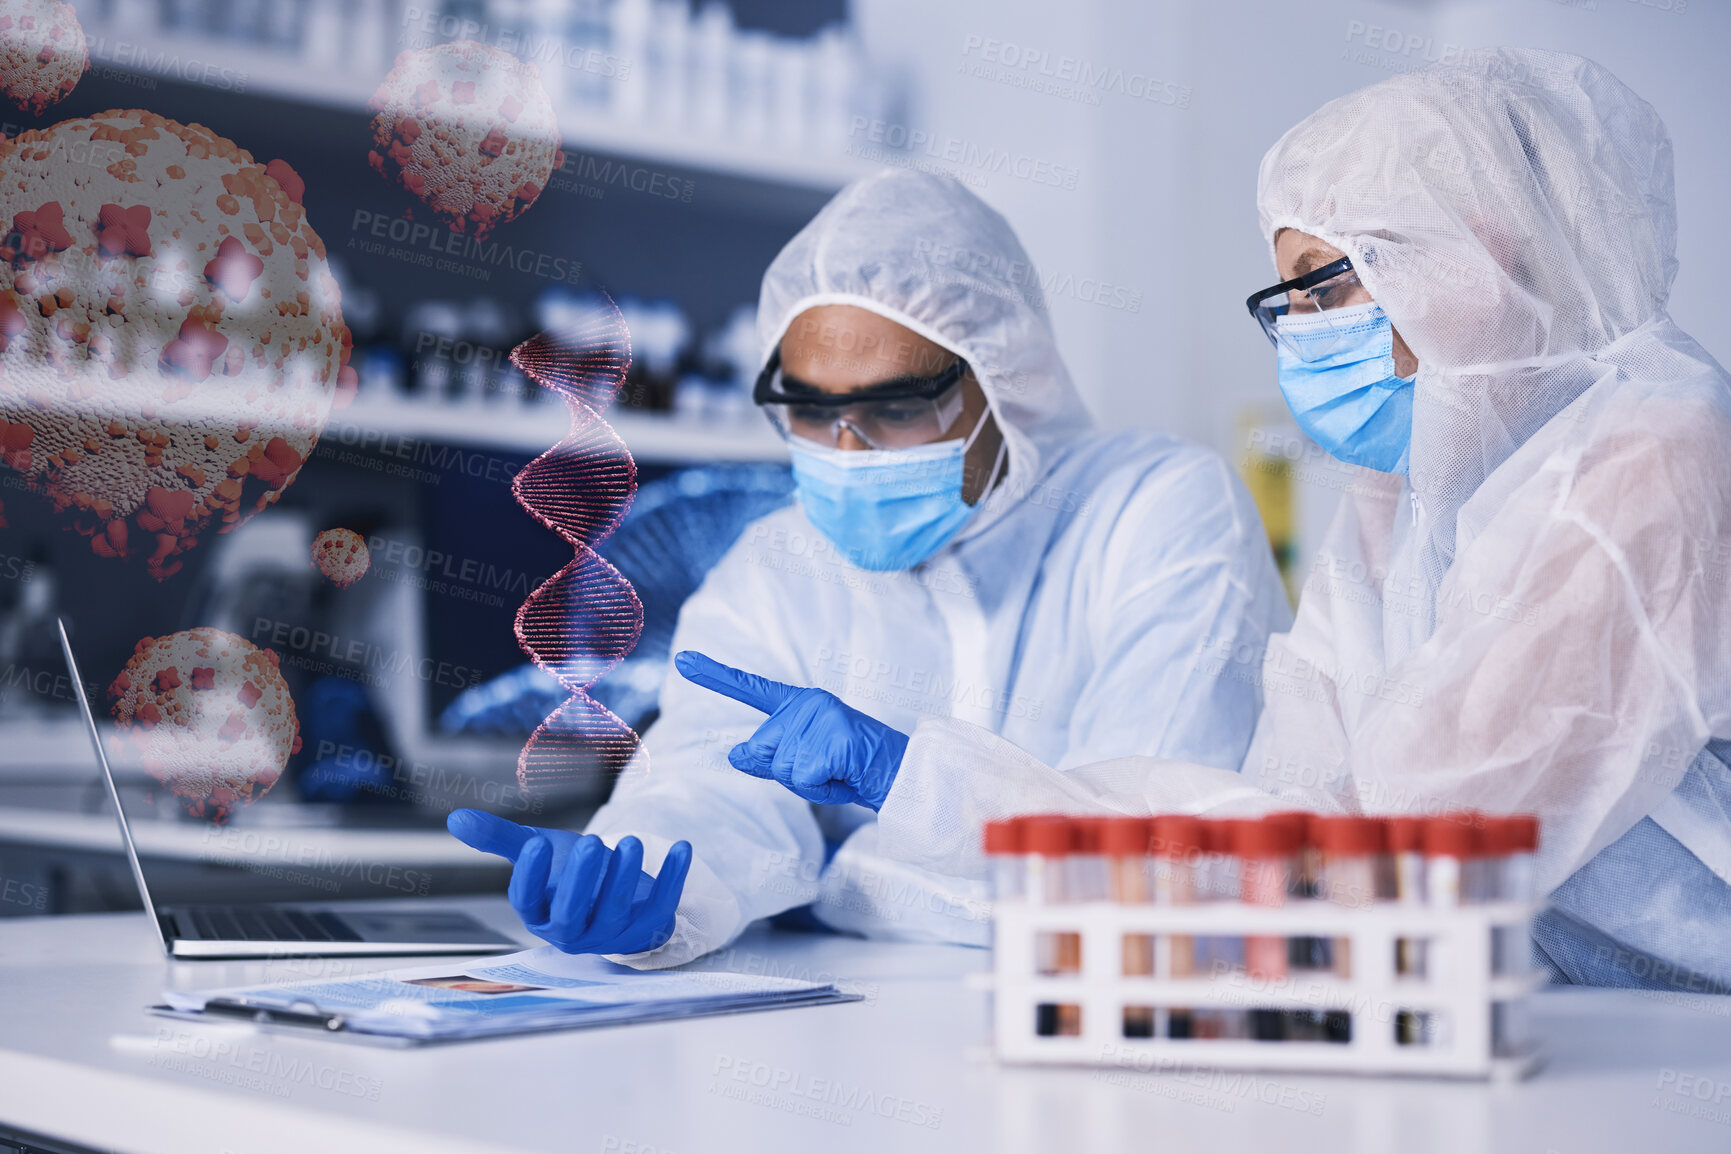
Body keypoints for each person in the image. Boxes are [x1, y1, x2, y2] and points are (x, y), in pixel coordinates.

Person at [787, 49, 1731, 991]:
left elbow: (1401, 853)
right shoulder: (1398, 499)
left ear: (1479, 256)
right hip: (1559, 1020)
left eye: (1325, 286)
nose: (1303, 331)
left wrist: (946, 793)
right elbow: (1289, 804)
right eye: (1292, 301)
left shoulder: (1652, 458)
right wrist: (927, 783)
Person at [448, 169, 1291, 966]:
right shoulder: (776, 565)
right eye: (811, 411)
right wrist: (650, 887)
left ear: (1002, 375)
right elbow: (708, 786)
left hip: (1092, 1027)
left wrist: (901, 785)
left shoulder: (1153, 510)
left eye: (895, 408)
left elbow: (1151, 851)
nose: (847, 451)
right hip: (862, 1026)